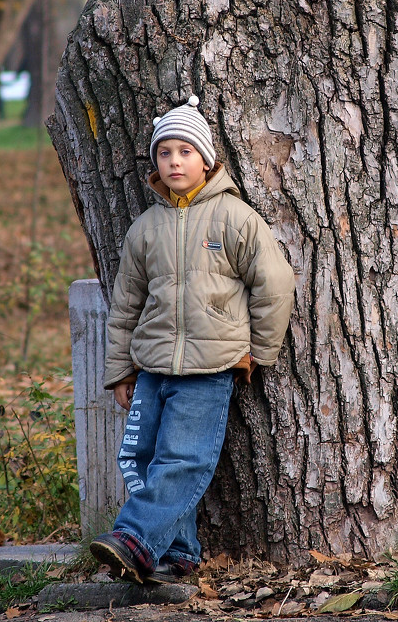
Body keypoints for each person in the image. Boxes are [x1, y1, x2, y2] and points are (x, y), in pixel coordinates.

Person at [89, 94, 295, 583]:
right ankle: (178, 552)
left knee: (182, 458)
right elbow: (125, 306)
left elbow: (275, 283)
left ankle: (135, 539)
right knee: (142, 458)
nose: (174, 161)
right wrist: (120, 369)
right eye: (165, 152)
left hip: (209, 368)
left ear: (206, 159)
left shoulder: (234, 218)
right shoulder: (146, 229)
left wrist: (259, 352)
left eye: (185, 151)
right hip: (153, 367)